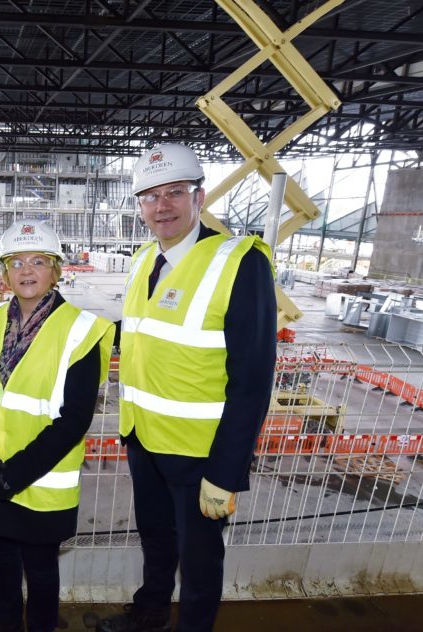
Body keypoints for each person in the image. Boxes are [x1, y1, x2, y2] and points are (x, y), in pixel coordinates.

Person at [98, 144, 276, 632]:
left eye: (175, 192)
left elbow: (253, 379)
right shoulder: (141, 262)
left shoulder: (238, 261)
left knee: (198, 562)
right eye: (151, 196)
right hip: (144, 439)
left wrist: (227, 471)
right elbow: (137, 333)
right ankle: (150, 613)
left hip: (200, 454)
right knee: (155, 541)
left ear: (199, 197)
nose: (163, 206)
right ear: (140, 207)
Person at [0, 219, 113, 632]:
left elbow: (74, 419)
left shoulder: (82, 330)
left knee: (41, 569)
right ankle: (5, 622)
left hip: (38, 481)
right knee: (1, 556)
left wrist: (16, 474)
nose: (27, 271)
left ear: (56, 270)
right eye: (16, 262)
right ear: (4, 270)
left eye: (39, 261)